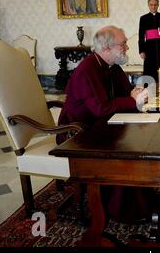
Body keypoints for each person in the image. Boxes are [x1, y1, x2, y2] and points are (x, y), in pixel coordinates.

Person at [57, 25, 153, 223]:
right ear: (107, 47)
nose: (127, 47)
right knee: (125, 152)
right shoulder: (87, 69)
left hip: (103, 125)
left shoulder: (112, 66)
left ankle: (143, 200)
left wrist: (133, 93)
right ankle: (122, 210)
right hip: (78, 134)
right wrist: (133, 100)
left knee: (139, 142)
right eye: (123, 43)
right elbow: (100, 108)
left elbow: (126, 91)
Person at [138, 0, 160, 82]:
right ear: (148, 6)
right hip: (149, 48)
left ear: (158, 5)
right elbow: (141, 36)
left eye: (155, 5)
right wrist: (141, 51)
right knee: (150, 70)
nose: (153, 7)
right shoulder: (143, 18)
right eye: (151, 5)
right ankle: (150, 91)